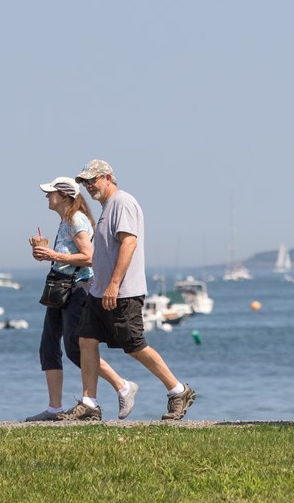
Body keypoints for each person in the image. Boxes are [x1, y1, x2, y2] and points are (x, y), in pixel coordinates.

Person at [68, 160, 196, 421]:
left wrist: (114, 284)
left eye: (93, 180)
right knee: (86, 340)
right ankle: (89, 403)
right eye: (85, 182)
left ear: (108, 177)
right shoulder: (107, 207)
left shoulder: (122, 202)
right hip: (99, 291)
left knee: (134, 345)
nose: (89, 186)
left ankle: (178, 390)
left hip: (123, 291)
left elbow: (129, 243)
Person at [24, 176, 137, 422]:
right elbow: (68, 255)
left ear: (64, 196)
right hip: (59, 288)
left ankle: (122, 385)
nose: (47, 196)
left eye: (51, 192)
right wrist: (48, 257)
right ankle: (55, 408)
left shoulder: (77, 220)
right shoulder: (65, 221)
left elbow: (89, 257)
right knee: (48, 346)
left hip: (77, 289)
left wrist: (54, 255)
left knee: (75, 350)